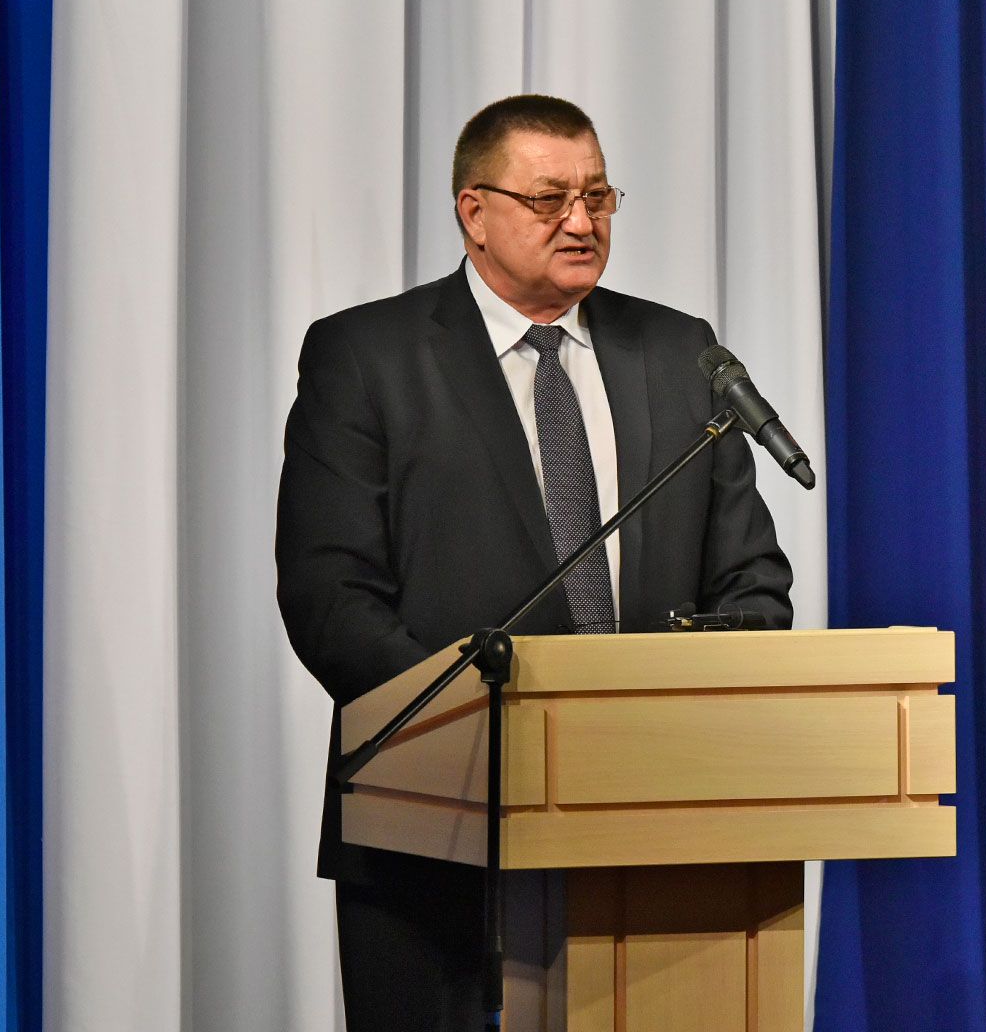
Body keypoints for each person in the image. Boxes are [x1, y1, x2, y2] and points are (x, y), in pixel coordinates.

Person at [275, 94, 793, 1029]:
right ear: (474, 212)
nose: (582, 222)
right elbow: (330, 596)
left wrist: (706, 709)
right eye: (550, 199)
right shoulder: (367, 355)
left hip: (655, 821)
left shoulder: (679, 352)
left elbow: (752, 581)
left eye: (598, 196)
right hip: (435, 828)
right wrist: (480, 739)